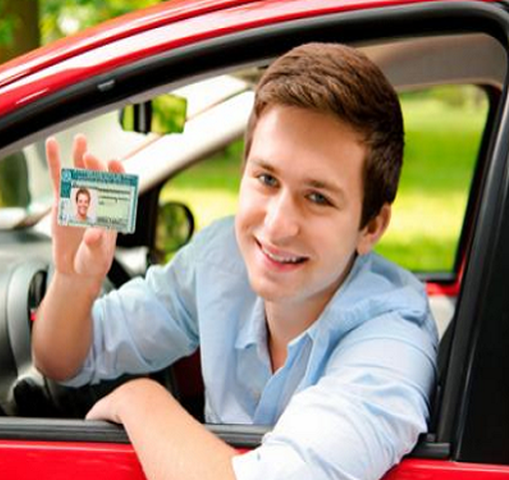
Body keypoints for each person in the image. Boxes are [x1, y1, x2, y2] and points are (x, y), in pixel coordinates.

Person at [32, 43, 438, 480]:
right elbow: (63, 361)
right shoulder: (220, 258)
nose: (278, 225)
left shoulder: (394, 341)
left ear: (371, 227)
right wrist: (75, 280)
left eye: (318, 197)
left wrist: (141, 398)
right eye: (267, 178)